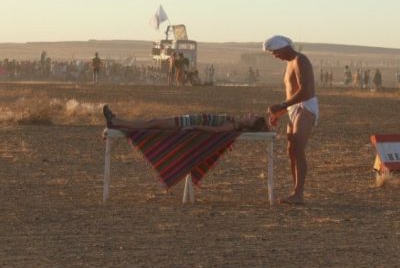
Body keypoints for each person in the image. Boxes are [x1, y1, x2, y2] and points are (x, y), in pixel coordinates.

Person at [263, 35, 318, 205]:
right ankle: (295, 192)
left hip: (305, 107)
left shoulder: (301, 60)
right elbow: (292, 92)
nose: (274, 56)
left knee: (298, 149)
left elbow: (306, 91)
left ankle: (298, 194)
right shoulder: (289, 64)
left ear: (283, 48)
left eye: (275, 52)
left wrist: (282, 105)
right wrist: (281, 112)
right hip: (293, 108)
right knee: (291, 151)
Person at [103, 105, 268, 133]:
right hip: (187, 120)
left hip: (186, 123)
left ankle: (116, 122)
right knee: (151, 122)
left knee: (151, 123)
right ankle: (117, 122)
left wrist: (195, 127)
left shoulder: (233, 126)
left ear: (251, 123)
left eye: (252, 117)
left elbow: (216, 130)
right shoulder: (235, 122)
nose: (250, 114)